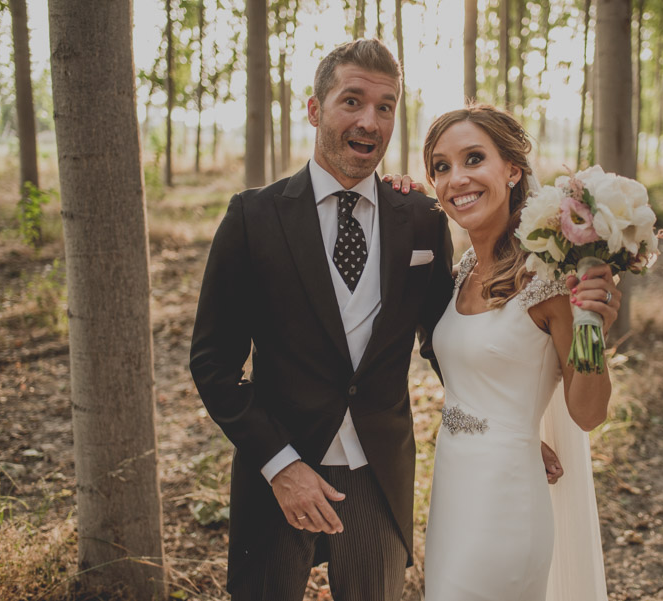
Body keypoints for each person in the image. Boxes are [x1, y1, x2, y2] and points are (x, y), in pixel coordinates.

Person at [188, 39, 456, 601]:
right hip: (280, 472)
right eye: (352, 101)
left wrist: (510, 420)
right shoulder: (252, 217)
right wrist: (280, 465)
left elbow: (445, 340)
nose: (370, 120)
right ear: (314, 110)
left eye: (386, 106)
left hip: (378, 476)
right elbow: (213, 364)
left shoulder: (423, 219)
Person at [420, 104, 618, 601]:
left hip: (505, 502)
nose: (456, 178)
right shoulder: (463, 268)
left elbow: (588, 413)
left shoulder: (549, 279)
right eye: (441, 167)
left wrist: (593, 327)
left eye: (472, 158)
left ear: (512, 170)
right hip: (451, 487)